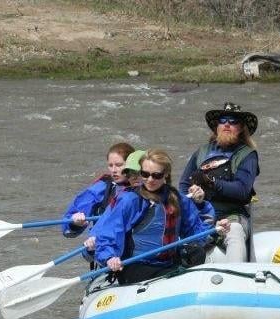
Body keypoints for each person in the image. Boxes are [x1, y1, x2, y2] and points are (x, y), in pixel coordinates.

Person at [92, 149, 230, 284]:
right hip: (137, 266)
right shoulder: (130, 200)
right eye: (145, 174)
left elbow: (196, 233)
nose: (150, 180)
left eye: (156, 175)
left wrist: (215, 230)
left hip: (168, 262)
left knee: (197, 253)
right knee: (177, 275)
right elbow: (109, 234)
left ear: (166, 175)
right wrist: (110, 257)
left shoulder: (177, 199)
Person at [179, 102, 260, 263]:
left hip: (231, 216)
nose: (227, 124)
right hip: (200, 216)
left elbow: (242, 190)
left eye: (233, 121)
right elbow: (183, 186)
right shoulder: (202, 152)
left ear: (241, 128)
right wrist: (192, 199)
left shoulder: (247, 155)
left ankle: (235, 276)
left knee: (235, 233)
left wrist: (212, 182)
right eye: (223, 120)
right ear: (217, 126)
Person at [61, 142, 137, 238]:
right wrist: (75, 223)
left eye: (118, 165)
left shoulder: (148, 185)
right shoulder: (100, 188)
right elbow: (68, 231)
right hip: (103, 244)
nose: (113, 170)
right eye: (110, 165)